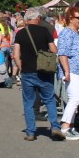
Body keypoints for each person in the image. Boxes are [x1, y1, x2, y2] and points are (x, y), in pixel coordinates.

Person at [13, 8, 62, 141]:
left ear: (27, 19)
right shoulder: (45, 31)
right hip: (44, 71)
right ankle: (55, 127)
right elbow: (54, 50)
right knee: (49, 100)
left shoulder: (20, 33)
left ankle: (30, 132)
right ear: (38, 18)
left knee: (28, 102)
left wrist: (21, 68)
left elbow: (15, 55)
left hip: (27, 71)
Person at [55, 5, 79, 140]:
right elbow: (63, 53)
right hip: (72, 70)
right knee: (75, 99)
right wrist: (67, 71)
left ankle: (69, 127)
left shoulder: (77, 34)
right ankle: (65, 127)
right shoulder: (67, 33)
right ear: (71, 18)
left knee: (75, 99)